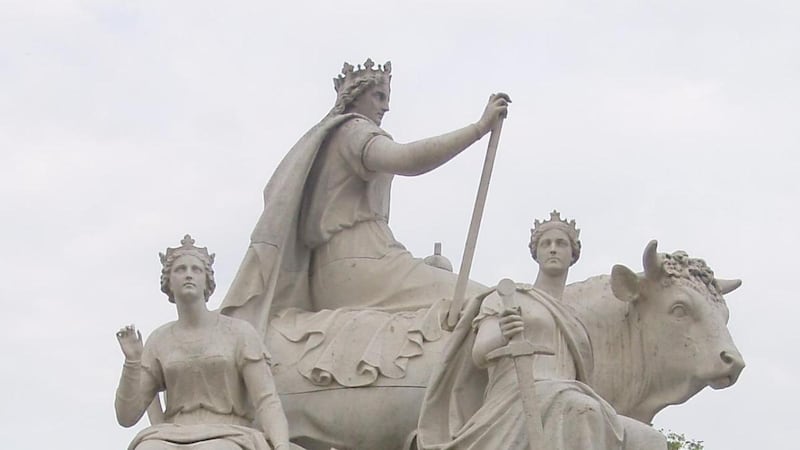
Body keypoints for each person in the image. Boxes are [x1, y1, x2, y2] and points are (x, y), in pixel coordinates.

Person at [220, 59, 508, 334]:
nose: (386, 106)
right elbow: (407, 159)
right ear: (355, 97)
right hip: (362, 265)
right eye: (379, 96)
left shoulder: (325, 139)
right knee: (492, 302)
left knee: (454, 287)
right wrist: (478, 129)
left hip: (340, 269)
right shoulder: (354, 130)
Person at [418, 211, 625, 450]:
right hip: (515, 399)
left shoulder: (575, 321)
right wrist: (503, 332)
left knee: (647, 438)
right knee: (582, 409)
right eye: (546, 244)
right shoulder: (508, 296)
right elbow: (479, 353)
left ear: (573, 254)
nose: (553, 249)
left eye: (561, 243)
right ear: (536, 253)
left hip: (567, 396)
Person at [114, 235, 293, 450]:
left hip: (229, 433)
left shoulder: (239, 332)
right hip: (171, 435)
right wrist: (132, 362)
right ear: (168, 281)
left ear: (207, 280)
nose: (188, 274)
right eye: (180, 269)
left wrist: (282, 445)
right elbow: (127, 416)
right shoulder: (159, 340)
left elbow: (266, 400)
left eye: (196, 269)